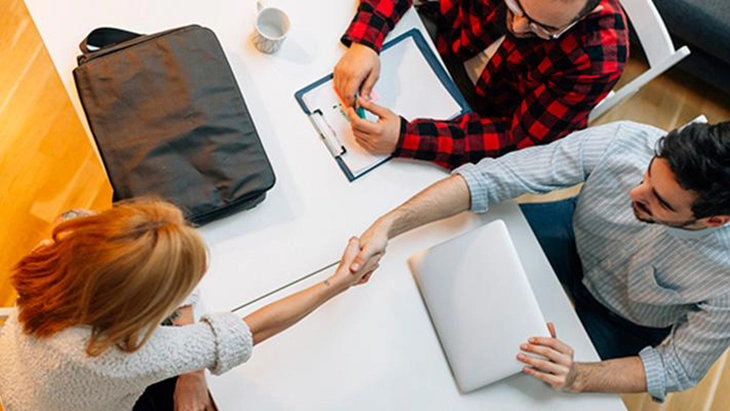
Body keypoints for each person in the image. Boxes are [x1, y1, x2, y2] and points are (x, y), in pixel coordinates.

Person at [348, 120, 730, 401]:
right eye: (648, 175)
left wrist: (579, 375)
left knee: (517, 393)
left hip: (626, 321)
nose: (635, 191)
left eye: (660, 201)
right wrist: (389, 224)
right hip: (572, 234)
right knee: (445, 258)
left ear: (714, 220)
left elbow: (677, 366)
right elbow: (495, 178)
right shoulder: (628, 141)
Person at [0, 198, 375, 411]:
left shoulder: (62, 244)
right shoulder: (124, 358)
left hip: (11, 366)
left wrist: (192, 371)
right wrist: (336, 283)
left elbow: (83, 218)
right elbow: (250, 330)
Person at [333, 0, 628, 169]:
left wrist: (405, 138)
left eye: (545, 28)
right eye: (515, 5)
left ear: (588, 13)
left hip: (481, 120)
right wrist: (366, 42)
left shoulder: (599, 55)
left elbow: (516, 140)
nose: (518, 26)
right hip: (436, 38)